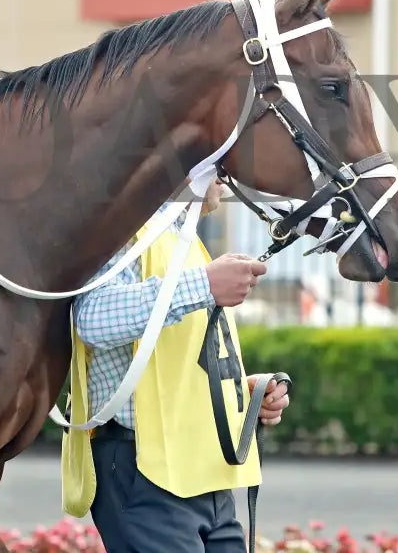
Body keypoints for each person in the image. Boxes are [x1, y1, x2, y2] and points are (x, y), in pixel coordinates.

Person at [60, 178, 291, 552]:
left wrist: (240, 393)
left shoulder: (184, 243)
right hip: (144, 474)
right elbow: (92, 319)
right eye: (213, 158)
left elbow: (176, 361)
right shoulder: (127, 233)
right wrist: (203, 284)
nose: (225, 173)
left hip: (202, 478)